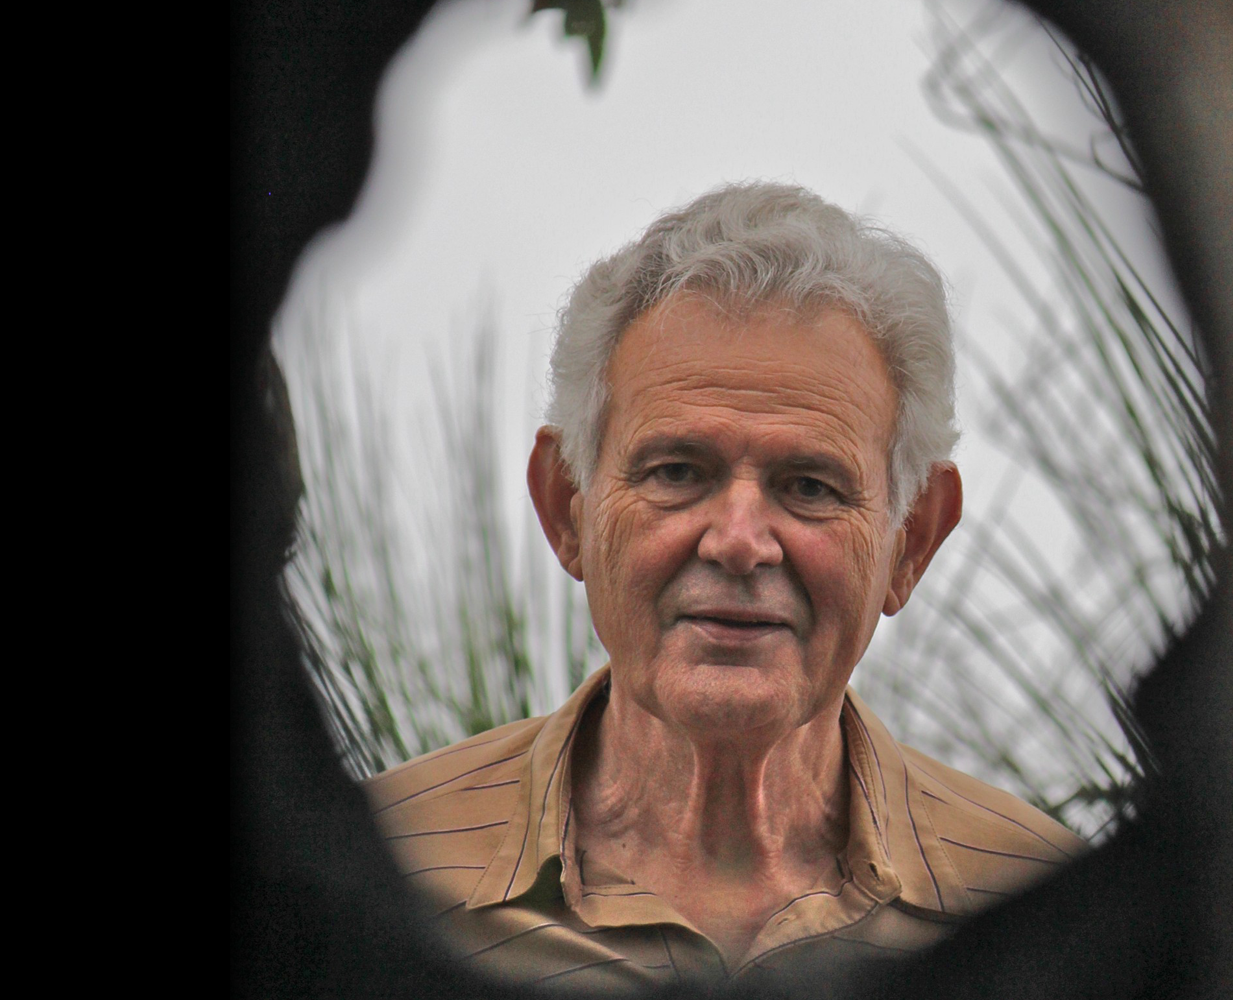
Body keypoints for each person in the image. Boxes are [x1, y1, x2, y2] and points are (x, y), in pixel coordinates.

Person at [364, 182, 1088, 992]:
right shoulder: (363, 879)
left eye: (809, 487)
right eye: (677, 472)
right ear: (568, 505)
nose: (739, 542)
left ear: (911, 540)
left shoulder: (1058, 920)